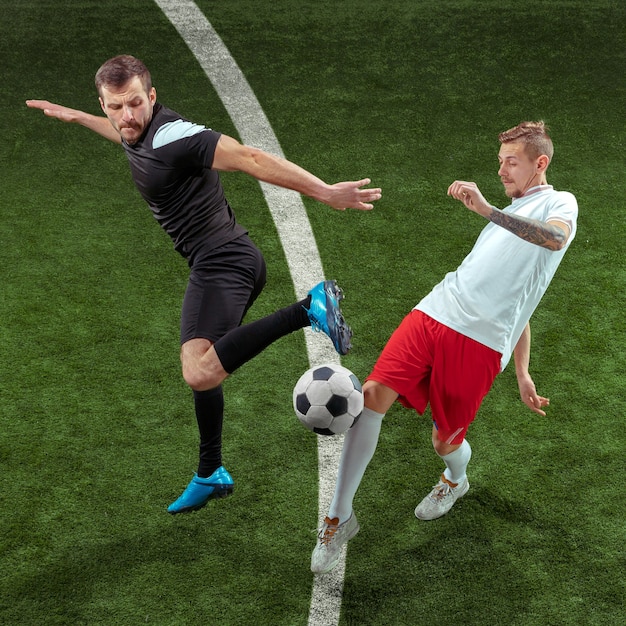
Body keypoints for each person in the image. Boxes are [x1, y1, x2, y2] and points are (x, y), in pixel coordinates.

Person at [26, 54, 381, 515]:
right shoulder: (130, 127)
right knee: (203, 361)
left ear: (152, 97)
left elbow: (251, 158)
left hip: (223, 263)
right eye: (115, 107)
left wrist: (325, 191)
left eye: (135, 103)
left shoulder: (175, 136)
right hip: (221, 261)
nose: (126, 116)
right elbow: (122, 133)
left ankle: (309, 308)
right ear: (104, 103)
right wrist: (80, 118)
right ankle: (210, 471)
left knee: (199, 370)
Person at [310, 121, 578, 574]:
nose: (502, 171)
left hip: (479, 344)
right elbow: (516, 294)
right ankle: (338, 517)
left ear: (541, 163)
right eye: (500, 162)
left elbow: (549, 245)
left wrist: (520, 371)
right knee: (371, 397)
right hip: (436, 310)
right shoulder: (506, 222)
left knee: (445, 439)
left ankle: (456, 479)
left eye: (512, 162)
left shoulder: (560, 203)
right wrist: (524, 370)